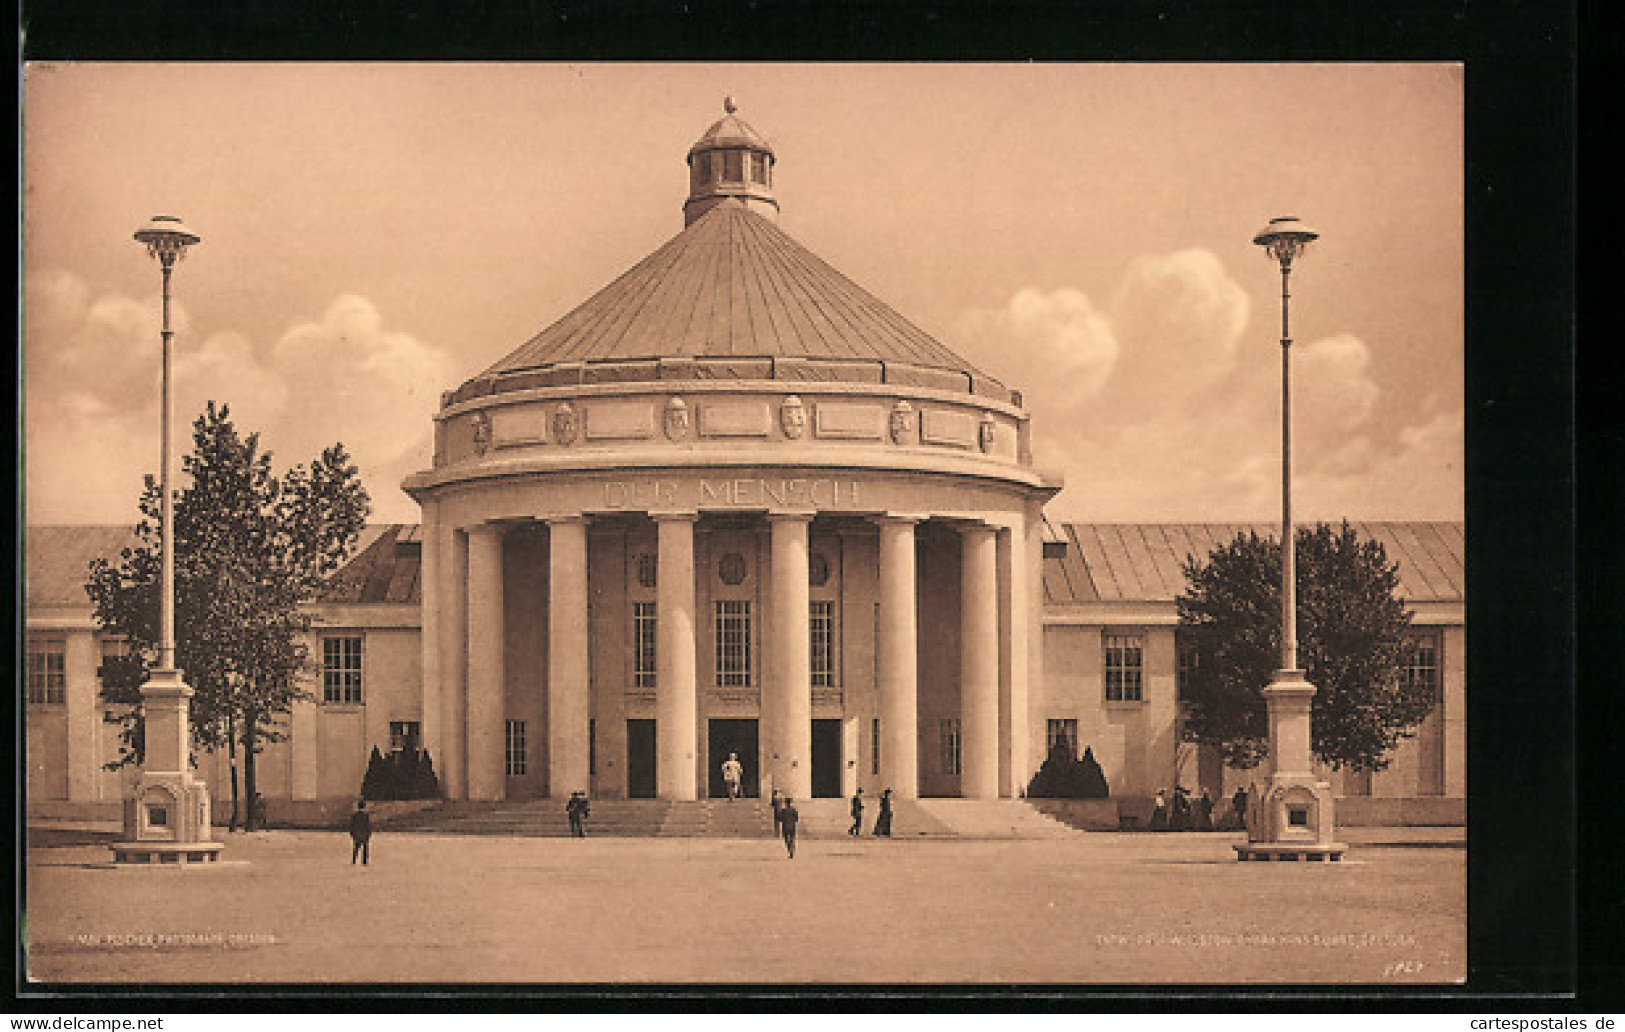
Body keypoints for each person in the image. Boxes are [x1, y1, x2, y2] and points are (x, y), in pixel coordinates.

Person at [348, 799, 372, 865]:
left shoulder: (355, 815)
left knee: (356, 848)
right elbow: (368, 825)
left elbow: (352, 825)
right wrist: (368, 834)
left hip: (357, 834)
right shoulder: (366, 816)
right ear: (364, 807)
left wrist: (352, 834)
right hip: (364, 834)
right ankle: (364, 861)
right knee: (365, 848)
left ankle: (354, 860)